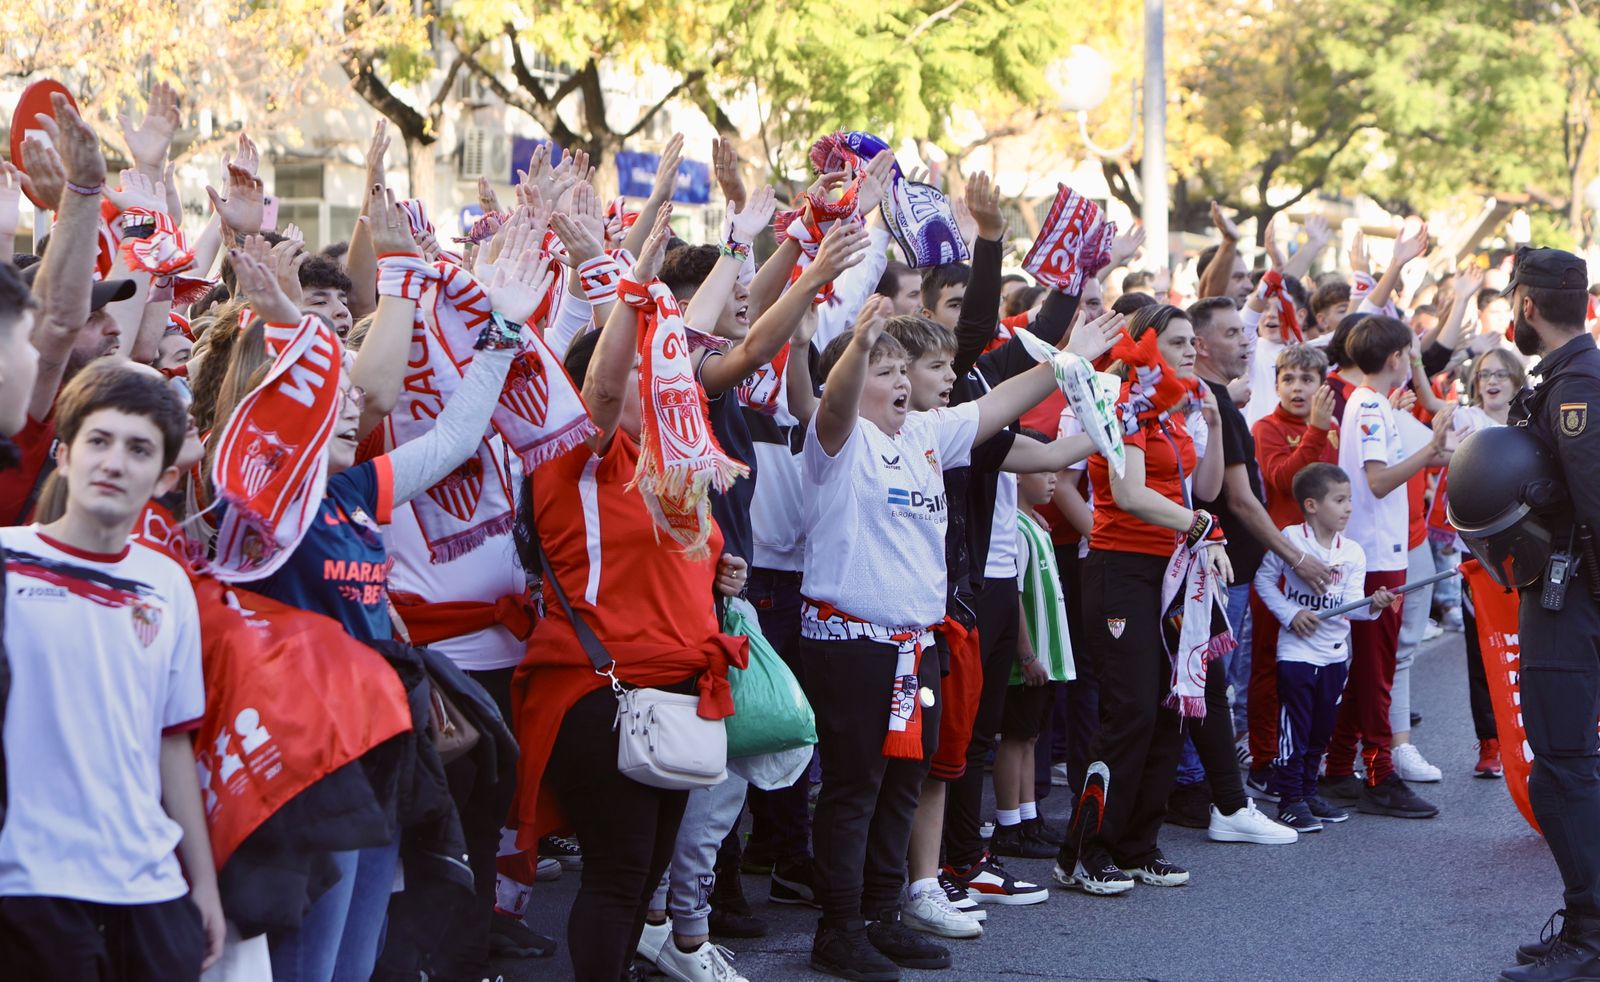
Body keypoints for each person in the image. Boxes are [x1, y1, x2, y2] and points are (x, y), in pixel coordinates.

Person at [798, 292, 1114, 979]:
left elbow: (998, 404)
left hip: (917, 644)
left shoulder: (925, 435)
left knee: (903, 784)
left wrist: (1068, 363)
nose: (903, 384)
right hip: (852, 646)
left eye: (901, 371)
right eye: (886, 371)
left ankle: (885, 913)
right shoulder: (837, 439)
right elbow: (836, 400)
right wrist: (859, 346)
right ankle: (838, 928)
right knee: (856, 788)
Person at [508, 208, 748, 982]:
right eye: (650, 372)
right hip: (604, 694)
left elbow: (707, 336)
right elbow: (609, 383)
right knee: (616, 878)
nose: (663, 383)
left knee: (642, 879)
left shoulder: (667, 464)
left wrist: (753, 239)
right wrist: (631, 285)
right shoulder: (579, 456)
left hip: (679, 693)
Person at [0, 364, 225, 979]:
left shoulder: (169, 583)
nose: (114, 462)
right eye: (99, 441)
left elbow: (171, 741)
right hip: (27, 888)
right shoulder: (8, 560)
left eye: (139, 449)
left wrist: (200, 884)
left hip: (147, 890)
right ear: (65, 456)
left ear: (165, 477)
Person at [1051, 303, 1232, 897]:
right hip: (1120, 570)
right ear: (1146, 345)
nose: (1190, 351)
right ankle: (1082, 852)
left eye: (1190, 342)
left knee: (1168, 709)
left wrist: (1197, 531)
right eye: (1177, 342)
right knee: (1127, 713)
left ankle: (1137, 845)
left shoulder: (1175, 412)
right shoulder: (1119, 402)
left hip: (1170, 573)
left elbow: (1196, 490)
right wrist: (1202, 525)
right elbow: (1128, 494)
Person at [1491, 246, 1600, 982]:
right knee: (1568, 765)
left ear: (1528, 306)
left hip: (1573, 595)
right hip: (1567, 589)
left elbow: (1594, 505)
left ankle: (1591, 937)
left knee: (1562, 767)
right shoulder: (1570, 375)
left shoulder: (1578, 386)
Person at [1320, 315, 1451, 820]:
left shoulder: (1370, 402)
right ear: (1395, 358)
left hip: (1380, 552)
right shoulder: (1369, 403)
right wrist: (1430, 450)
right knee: (1376, 673)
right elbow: (1377, 482)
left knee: (1368, 671)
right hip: (1376, 555)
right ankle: (1379, 775)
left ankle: (1336, 768)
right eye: (1409, 354)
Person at [1253, 462, 1397, 832]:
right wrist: (1290, 613)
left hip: (1335, 656)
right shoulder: (1289, 541)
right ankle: (1289, 800)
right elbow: (1264, 581)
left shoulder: (1353, 552)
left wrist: (1375, 604)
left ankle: (1308, 791)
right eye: (1340, 499)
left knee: (1321, 731)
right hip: (1297, 655)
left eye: (1349, 499)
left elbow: (1356, 607)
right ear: (1312, 505)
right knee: (1295, 732)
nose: (1349, 507)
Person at [1246, 344, 1340, 791]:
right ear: (1277, 383)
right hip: (1280, 560)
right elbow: (1286, 480)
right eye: (1289, 379)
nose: (1298, 388)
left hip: (1325, 562)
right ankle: (1265, 759)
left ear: (1322, 384)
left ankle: (1305, 758)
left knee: (1321, 661)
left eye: (1308, 379)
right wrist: (1316, 433)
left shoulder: (1331, 428)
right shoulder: (1265, 428)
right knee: (1271, 662)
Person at [1449, 347, 1523, 780]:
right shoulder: (1466, 421)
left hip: (1528, 557)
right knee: (1483, 651)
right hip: (1478, 558)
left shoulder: (1531, 422)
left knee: (1533, 649)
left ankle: (1538, 736)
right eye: (1483, 374)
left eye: (1500, 374)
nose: (1491, 381)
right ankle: (1490, 742)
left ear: (1516, 379)